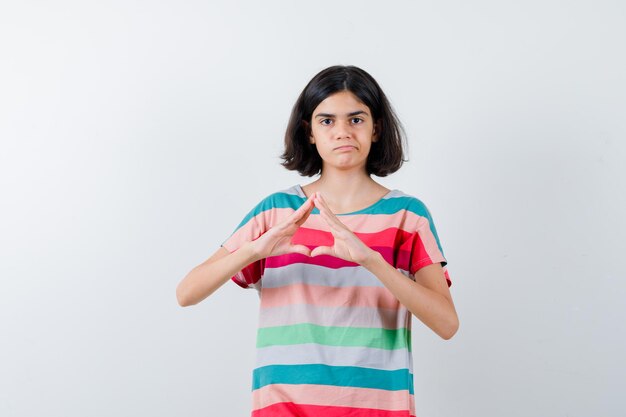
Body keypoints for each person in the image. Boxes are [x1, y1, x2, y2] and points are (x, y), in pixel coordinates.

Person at [176, 65, 459, 417]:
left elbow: (447, 324)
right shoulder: (278, 212)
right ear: (309, 132)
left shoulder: (407, 215)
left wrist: (372, 261)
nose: (342, 132)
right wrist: (255, 249)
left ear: (376, 129)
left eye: (356, 119)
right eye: (327, 121)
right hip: (284, 408)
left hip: (377, 409)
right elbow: (186, 293)